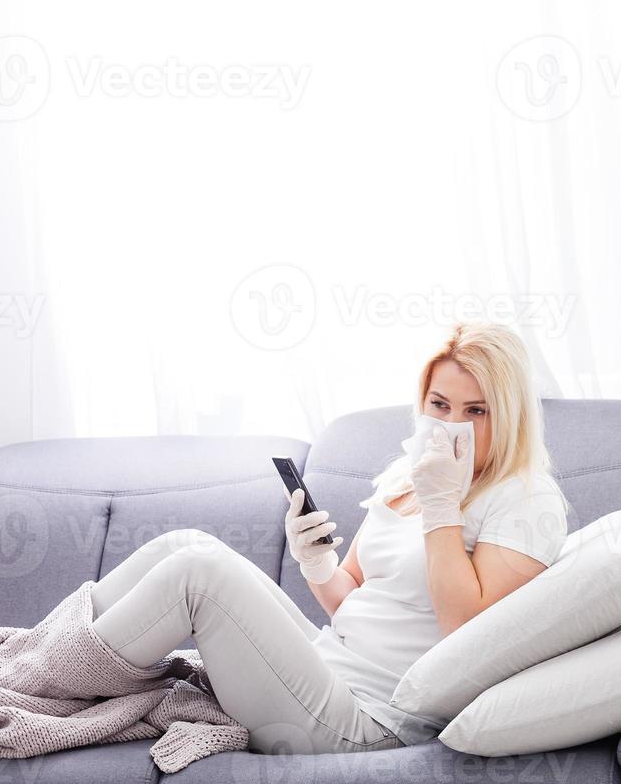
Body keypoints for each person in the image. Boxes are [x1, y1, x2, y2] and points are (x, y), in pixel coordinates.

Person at [87, 322, 569, 754]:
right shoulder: (408, 475)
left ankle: (46, 676)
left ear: (508, 415)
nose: (449, 426)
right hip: (326, 670)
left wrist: (442, 508)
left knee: (199, 575)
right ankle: (44, 658)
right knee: (185, 545)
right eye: (439, 405)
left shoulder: (526, 499)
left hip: (371, 719)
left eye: (476, 411)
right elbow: (349, 602)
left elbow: (468, 636)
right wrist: (316, 562)